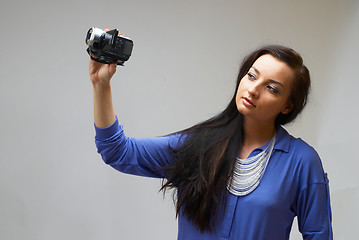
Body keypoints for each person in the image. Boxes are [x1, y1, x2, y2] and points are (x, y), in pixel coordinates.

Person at [89, 45, 333, 240]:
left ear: (287, 105)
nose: (253, 89)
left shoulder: (301, 162)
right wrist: (101, 85)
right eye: (251, 76)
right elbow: (117, 151)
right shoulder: (198, 146)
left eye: (271, 88)